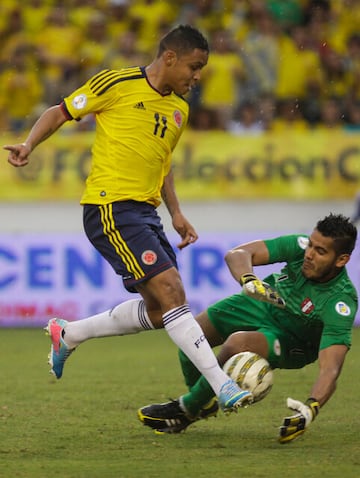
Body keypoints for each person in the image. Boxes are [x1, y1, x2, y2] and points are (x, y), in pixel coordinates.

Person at [3, 24, 255, 413]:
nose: (197, 76)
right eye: (194, 66)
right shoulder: (117, 82)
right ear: (169, 57)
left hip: (146, 212)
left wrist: (176, 213)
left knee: (160, 309)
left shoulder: (179, 109)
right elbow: (62, 110)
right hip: (109, 207)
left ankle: (68, 334)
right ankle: (222, 385)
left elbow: (163, 161)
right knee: (172, 290)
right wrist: (29, 143)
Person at [138, 213, 358, 444]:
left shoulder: (340, 302)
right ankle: (205, 400)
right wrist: (249, 281)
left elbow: (330, 368)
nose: (309, 255)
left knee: (237, 343)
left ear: (341, 260)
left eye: (320, 251)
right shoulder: (299, 247)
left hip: (292, 339)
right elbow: (238, 254)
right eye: (311, 245)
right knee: (190, 336)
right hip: (263, 302)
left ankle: (187, 409)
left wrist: (311, 407)